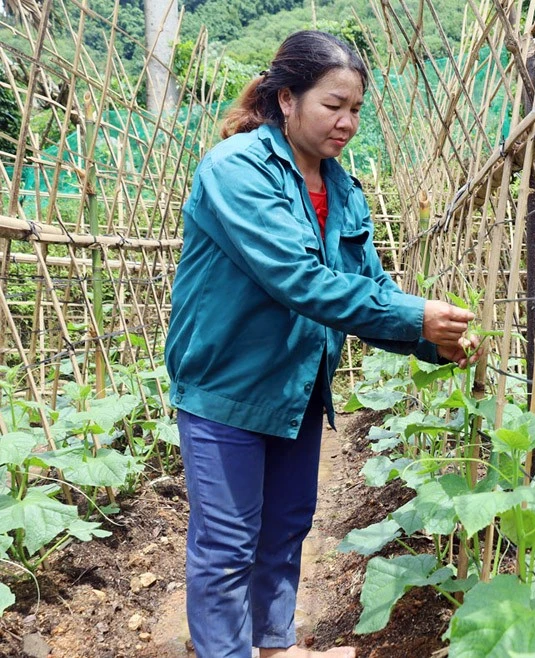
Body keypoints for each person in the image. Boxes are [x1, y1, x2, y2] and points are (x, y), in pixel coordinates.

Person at [165, 30, 481, 658]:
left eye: (357, 109)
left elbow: (370, 292)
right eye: (333, 105)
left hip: (299, 387)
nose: (347, 122)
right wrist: (418, 316)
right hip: (226, 387)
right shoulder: (235, 170)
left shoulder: (343, 189)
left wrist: (431, 344)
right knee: (227, 545)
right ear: (287, 99)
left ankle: (275, 646)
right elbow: (299, 281)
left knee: (284, 529)